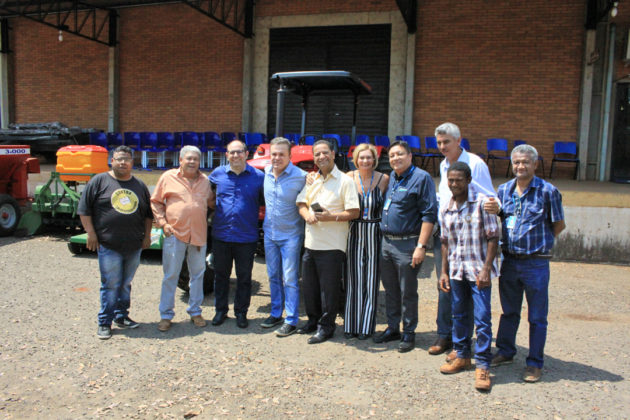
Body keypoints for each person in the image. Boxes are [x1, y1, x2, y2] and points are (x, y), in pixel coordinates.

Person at [486, 144, 565, 383]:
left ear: (535, 164)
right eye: (517, 162)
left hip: (536, 263)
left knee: (537, 316)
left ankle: (534, 363)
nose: (520, 166)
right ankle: (506, 351)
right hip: (510, 260)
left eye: (525, 162)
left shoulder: (548, 191)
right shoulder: (504, 190)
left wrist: (541, 244)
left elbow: (558, 224)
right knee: (509, 311)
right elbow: (503, 218)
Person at [429, 122, 497, 359]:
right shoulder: (443, 164)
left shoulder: (475, 164)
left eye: (446, 141)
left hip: (472, 240)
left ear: (459, 141)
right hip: (448, 236)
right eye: (438, 143)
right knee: (446, 287)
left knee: (472, 296)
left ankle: (466, 347)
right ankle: (447, 336)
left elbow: (490, 199)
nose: (442, 146)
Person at [78, 145, 153, 340]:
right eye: (119, 159)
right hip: (108, 245)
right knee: (110, 284)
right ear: (112, 160)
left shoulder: (139, 185)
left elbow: (147, 215)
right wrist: (91, 234)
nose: (123, 162)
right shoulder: (99, 181)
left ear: (132, 162)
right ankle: (105, 322)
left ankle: (122, 316)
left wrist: (147, 236)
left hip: (134, 245)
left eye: (126, 159)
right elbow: (84, 210)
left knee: (126, 283)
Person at [436, 162, 499, 392]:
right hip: (456, 270)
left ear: (469, 179)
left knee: (482, 319)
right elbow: (445, 242)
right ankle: (462, 355)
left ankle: (483, 365)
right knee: (459, 314)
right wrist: (443, 271)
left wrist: (486, 268)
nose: (454, 184)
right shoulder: (446, 206)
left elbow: (493, 238)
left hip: (478, 271)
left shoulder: (483, 203)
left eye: (458, 180)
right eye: (450, 181)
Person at [374, 140, 437, 353]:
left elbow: (429, 215)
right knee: (390, 289)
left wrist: (421, 245)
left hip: (408, 244)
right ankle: (393, 328)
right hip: (387, 243)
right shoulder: (392, 177)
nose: (395, 159)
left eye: (400, 154)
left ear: (410, 156)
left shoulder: (422, 178)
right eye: (392, 156)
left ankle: (409, 332)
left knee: (407, 291)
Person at [296, 139, 360, 344]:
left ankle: (327, 327)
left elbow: (354, 212)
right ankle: (313, 321)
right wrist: (306, 215)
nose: (321, 157)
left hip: (332, 245)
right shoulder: (313, 179)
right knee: (310, 287)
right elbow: (301, 203)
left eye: (325, 153)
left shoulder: (345, 181)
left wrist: (330, 216)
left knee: (329, 290)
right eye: (317, 154)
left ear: (333, 154)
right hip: (311, 243)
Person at [151, 145, 214, 332]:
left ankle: (195, 311)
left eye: (196, 159)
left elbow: (212, 203)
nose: (192, 162)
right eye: (189, 158)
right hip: (175, 233)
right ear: (181, 160)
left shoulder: (205, 181)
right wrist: (163, 223)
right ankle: (166, 315)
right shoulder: (168, 177)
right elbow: (155, 201)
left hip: (198, 235)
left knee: (198, 275)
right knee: (171, 275)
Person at [209, 139, 264, 329]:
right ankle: (220, 311)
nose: (235, 156)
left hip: (246, 237)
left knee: (244, 278)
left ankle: (241, 312)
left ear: (246, 154)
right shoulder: (217, 175)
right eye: (231, 152)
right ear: (227, 155)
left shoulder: (258, 177)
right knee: (221, 276)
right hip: (221, 236)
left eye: (239, 152)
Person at [260, 137, 306, 337]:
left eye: (281, 154)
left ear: (290, 156)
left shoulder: (302, 176)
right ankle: (276, 313)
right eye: (274, 154)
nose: (276, 158)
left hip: (291, 236)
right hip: (269, 233)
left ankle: (291, 320)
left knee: (290, 278)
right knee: (272, 276)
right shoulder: (266, 172)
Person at [344, 143, 389, 340]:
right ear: (356, 160)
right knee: (353, 278)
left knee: (371, 279)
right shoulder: (348, 177)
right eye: (361, 158)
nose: (365, 161)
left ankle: (365, 326)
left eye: (369, 158)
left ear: (374, 160)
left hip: (374, 230)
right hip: (354, 229)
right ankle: (351, 323)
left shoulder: (383, 178)